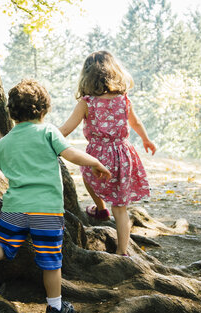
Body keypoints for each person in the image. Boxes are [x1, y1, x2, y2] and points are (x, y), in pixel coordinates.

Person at [0, 79, 111, 313]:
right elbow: (70, 154)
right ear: (44, 109)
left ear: (12, 112)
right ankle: (55, 308)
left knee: (1, 243)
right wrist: (94, 162)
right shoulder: (49, 132)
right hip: (47, 211)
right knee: (50, 262)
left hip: (15, 208)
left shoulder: (5, 142)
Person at [59, 50, 156, 256]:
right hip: (123, 154)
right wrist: (146, 139)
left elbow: (66, 129)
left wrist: (44, 135)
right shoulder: (123, 100)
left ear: (87, 77)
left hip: (96, 157)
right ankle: (122, 251)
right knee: (120, 208)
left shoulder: (86, 102)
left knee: (87, 174)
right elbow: (136, 122)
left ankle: (99, 206)